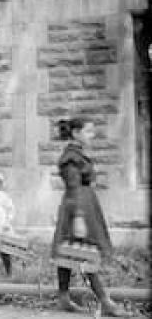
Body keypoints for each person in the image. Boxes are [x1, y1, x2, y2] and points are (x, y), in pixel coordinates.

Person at [52, 118, 131, 316]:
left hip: (85, 203)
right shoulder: (71, 157)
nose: (92, 136)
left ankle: (63, 298)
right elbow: (73, 187)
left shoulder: (78, 154)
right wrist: (78, 217)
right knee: (84, 252)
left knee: (70, 252)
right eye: (89, 131)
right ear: (76, 133)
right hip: (77, 206)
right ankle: (105, 301)